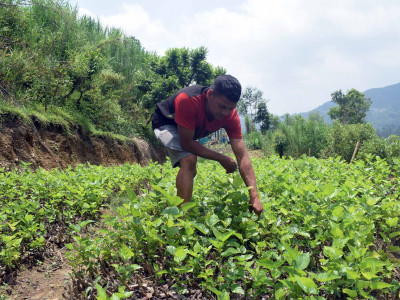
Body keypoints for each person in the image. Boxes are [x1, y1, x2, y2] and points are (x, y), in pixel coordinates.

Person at [151, 75, 263, 216]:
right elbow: (187, 143)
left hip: (189, 130)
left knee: (190, 167)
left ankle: (181, 198)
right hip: (166, 122)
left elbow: (242, 156)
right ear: (210, 94)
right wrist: (222, 158)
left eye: (230, 108)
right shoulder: (188, 100)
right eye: (221, 106)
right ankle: (181, 219)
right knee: (189, 159)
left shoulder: (231, 116)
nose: (225, 113)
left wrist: (254, 197)